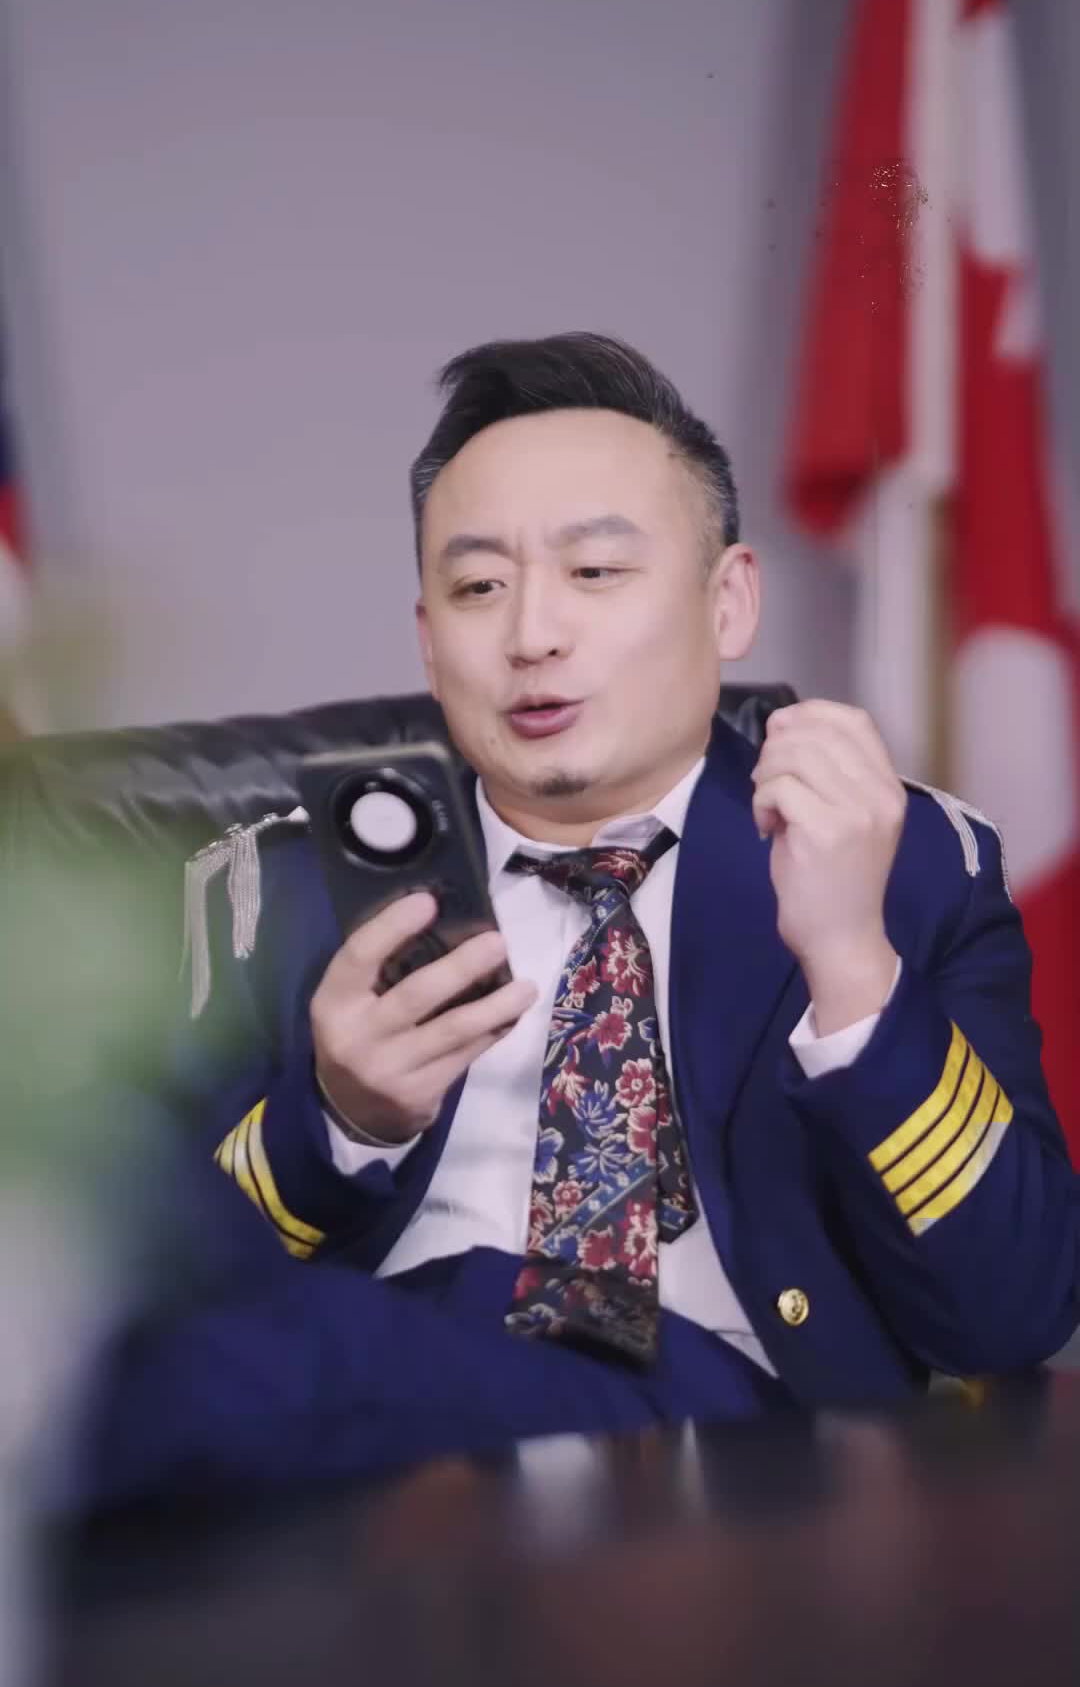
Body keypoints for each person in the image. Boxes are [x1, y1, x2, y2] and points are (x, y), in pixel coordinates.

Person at [80, 332, 1079, 1506]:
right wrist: (339, 1121)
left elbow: (1013, 1315)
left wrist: (852, 966)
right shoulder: (284, 897)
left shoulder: (899, 864)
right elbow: (153, 1277)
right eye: (478, 587)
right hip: (370, 1459)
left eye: (595, 572)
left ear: (728, 602)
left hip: (725, 1457)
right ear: (428, 641)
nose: (532, 636)